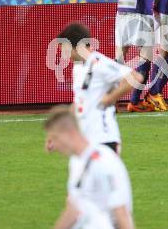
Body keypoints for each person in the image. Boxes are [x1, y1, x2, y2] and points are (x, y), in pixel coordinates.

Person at [57, 23, 142, 153]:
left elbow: (135, 77)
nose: (63, 54)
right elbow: (80, 100)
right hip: (86, 139)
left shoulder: (99, 62)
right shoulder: (78, 67)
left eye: (64, 48)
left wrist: (110, 98)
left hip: (104, 139)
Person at [45, 107, 135, 229]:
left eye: (55, 138)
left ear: (69, 133)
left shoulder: (103, 161)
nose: (53, 146)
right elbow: (73, 209)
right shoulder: (75, 161)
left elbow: (121, 213)